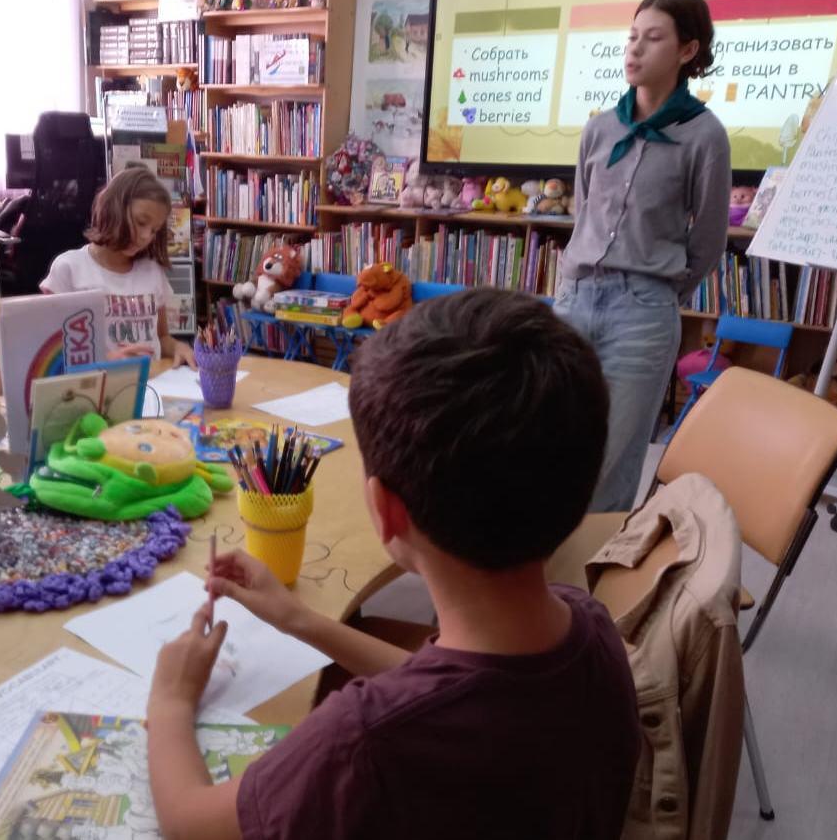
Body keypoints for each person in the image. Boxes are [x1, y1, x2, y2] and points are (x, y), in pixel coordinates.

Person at [145, 289, 641, 839]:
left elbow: (190, 824)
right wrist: (300, 620)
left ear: (386, 512)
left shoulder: (364, 741)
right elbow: (459, 688)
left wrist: (170, 701)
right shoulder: (592, 628)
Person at [557, 0, 731, 511]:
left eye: (653, 38)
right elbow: (584, 214)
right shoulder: (599, 128)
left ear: (687, 51)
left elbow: (708, 239)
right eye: (633, 36)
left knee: (615, 454)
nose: (635, 48)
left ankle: (593, 559)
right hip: (575, 299)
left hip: (643, 312)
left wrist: (657, 291)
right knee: (552, 434)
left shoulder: (705, 135)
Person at [39, 166, 196, 367]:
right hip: (99, 383)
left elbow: (162, 337)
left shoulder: (152, 272)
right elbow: (50, 355)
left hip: (152, 381)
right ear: (113, 208)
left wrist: (178, 347)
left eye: (154, 230)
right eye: (141, 222)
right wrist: (107, 361)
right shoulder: (69, 268)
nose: (146, 236)